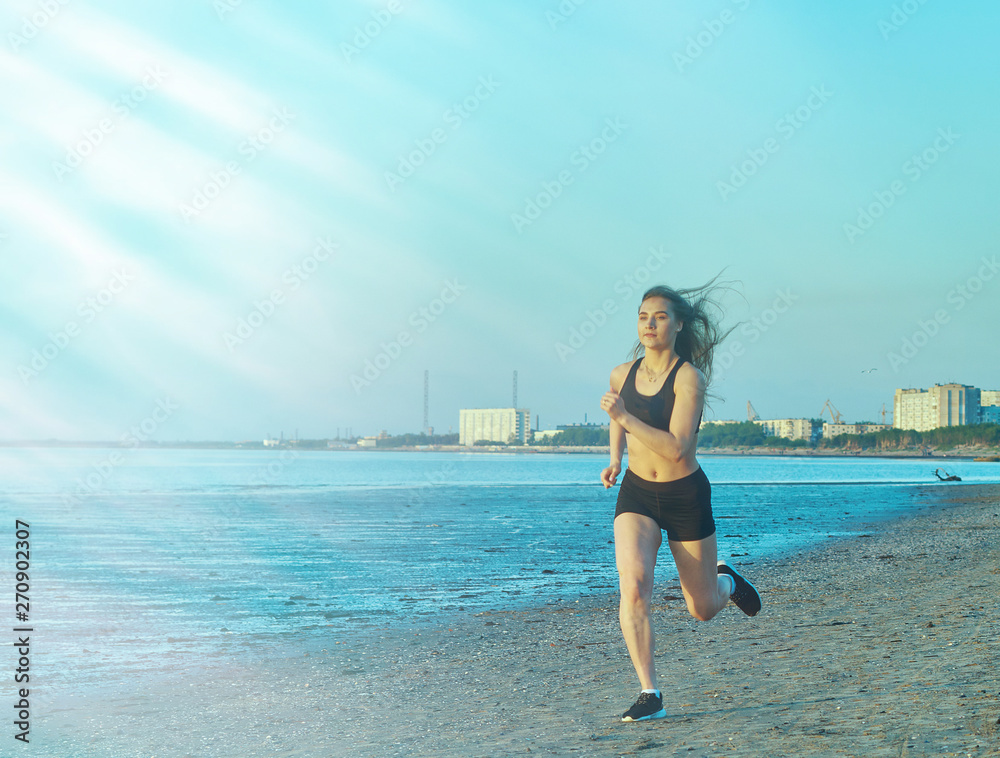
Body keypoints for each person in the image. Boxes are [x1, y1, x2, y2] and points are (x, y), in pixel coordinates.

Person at [600, 282, 761, 723]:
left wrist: (624, 419)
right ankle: (650, 693)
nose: (650, 324)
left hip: (684, 494)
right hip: (637, 494)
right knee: (633, 587)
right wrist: (615, 456)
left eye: (660, 316)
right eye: (643, 317)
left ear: (679, 324)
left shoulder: (689, 377)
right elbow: (618, 413)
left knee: (703, 608)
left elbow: (676, 448)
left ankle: (725, 581)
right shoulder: (621, 373)